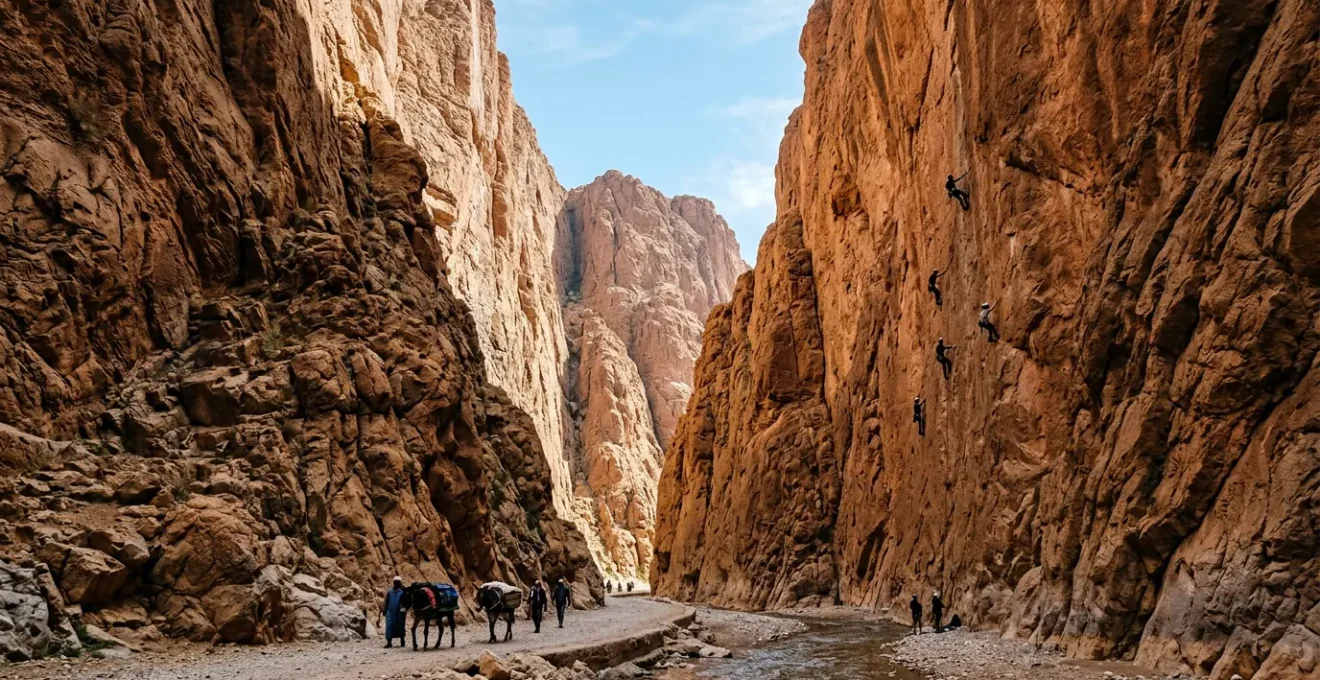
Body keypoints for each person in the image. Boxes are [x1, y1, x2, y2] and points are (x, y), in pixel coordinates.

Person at [382, 576, 406, 649]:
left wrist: (404, 612)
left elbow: (405, 603)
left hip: (399, 612)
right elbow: (386, 601)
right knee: (389, 626)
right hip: (390, 611)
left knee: (401, 626)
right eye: (395, 582)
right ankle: (389, 642)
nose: (396, 584)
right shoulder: (390, 592)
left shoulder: (402, 592)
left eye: (398, 582)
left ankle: (402, 640)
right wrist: (384, 610)